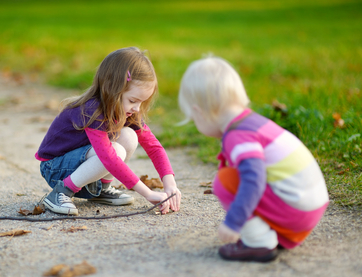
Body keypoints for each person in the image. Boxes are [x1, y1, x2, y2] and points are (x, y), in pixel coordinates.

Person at [178, 56, 329, 262]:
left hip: (296, 212)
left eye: (193, 119)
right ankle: (272, 233)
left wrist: (234, 222)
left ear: (200, 112)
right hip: (309, 210)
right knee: (236, 178)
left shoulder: (238, 136)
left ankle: (259, 243)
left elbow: (253, 180)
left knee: (224, 182)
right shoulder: (254, 123)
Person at [36, 47, 181, 216]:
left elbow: (153, 147)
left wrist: (170, 183)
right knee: (116, 150)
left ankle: (101, 189)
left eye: (142, 102)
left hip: (79, 167)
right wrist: (148, 193)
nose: (137, 108)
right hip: (55, 169)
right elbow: (109, 158)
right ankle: (61, 192)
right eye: (133, 100)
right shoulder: (91, 110)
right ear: (112, 89)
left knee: (129, 136)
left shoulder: (126, 111)